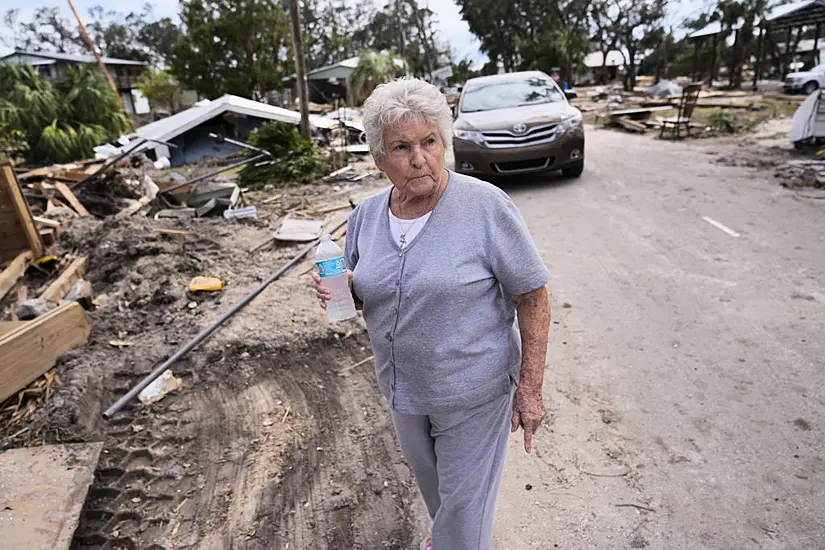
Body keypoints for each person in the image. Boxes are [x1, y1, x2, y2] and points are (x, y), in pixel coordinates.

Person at [312, 78, 551, 550]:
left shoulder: (485, 207)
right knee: (442, 500)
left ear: (445, 143)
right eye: (401, 147)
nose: (418, 158)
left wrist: (530, 389)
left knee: (462, 520)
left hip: (473, 394)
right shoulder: (365, 218)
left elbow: (533, 296)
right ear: (379, 158)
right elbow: (367, 288)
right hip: (403, 391)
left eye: (429, 142)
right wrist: (342, 292)